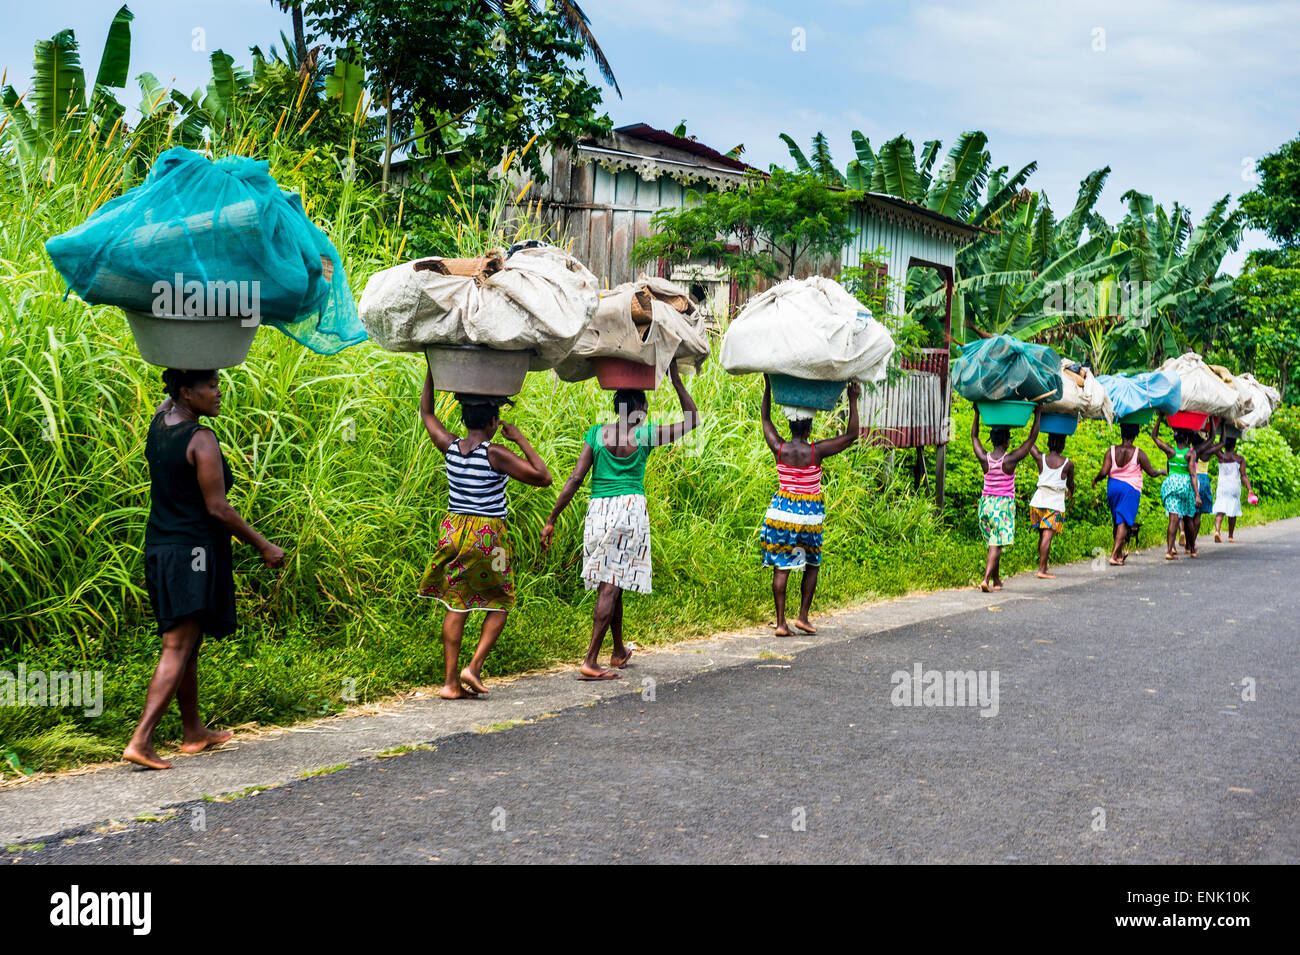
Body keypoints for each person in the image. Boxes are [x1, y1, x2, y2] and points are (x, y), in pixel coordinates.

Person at [124, 369, 286, 770]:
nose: (218, 392)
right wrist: (263, 545)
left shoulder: (162, 419)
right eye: (210, 386)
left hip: (161, 548)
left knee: (189, 643)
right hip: (191, 553)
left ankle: (193, 731)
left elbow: (174, 391)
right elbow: (218, 508)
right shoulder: (201, 439)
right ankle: (141, 740)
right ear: (186, 391)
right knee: (177, 645)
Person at [542, 362, 698, 680]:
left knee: (613, 582)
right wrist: (677, 381)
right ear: (640, 408)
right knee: (611, 584)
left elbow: (575, 478)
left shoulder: (597, 433)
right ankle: (589, 660)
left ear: (616, 407)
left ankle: (616, 651)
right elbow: (692, 420)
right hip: (629, 510)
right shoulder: (644, 434)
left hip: (598, 510)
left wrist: (552, 517)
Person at [417, 370, 552, 700]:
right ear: (493, 421)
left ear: (465, 420)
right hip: (487, 535)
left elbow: (426, 413)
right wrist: (519, 438)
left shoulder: (449, 446)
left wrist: (433, 369)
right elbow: (543, 477)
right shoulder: (494, 453)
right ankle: (473, 667)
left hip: (453, 530)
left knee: (457, 604)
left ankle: (450, 684)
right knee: (502, 601)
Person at [758, 377, 861, 635]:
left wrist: (769, 386)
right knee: (811, 564)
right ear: (809, 428)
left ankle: (781, 623)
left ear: (791, 426)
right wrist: (853, 399)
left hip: (781, 514)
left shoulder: (779, 447)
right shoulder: (816, 452)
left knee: (782, 565)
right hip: (809, 517)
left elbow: (766, 421)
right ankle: (803, 616)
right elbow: (851, 435)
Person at [971, 406, 1041, 592]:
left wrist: (977, 413)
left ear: (993, 440)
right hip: (1002, 506)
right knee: (996, 543)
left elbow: (974, 438)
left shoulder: (984, 458)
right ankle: (986, 579)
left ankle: (996, 580)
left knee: (995, 542)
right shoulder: (1010, 460)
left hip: (985, 505)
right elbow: (1031, 440)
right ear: (1007, 441)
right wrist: (1038, 413)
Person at [1091, 422, 1164, 565]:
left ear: (1121, 433)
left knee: (1117, 521)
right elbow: (1151, 472)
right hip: (1130, 489)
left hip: (1113, 487)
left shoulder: (1111, 451)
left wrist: (1095, 480)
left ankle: (1118, 555)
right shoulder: (1138, 453)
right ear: (1135, 435)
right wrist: (1161, 471)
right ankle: (1113, 555)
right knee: (1123, 522)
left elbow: (1104, 472)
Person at [1150, 414, 1200, 560]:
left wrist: (1159, 418)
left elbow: (1154, 436)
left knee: (1173, 519)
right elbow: (1192, 474)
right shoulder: (1190, 453)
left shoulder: (1170, 451)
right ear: (1186, 439)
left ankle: (1169, 551)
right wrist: (1197, 494)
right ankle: (1192, 548)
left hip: (1171, 485)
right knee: (1188, 518)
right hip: (1185, 487)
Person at [1027, 431, 1075, 579]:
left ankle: (1043, 565)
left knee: (1042, 535)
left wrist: (1034, 426)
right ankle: (1042, 570)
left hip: (1038, 501)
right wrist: (1070, 492)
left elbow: (1030, 444)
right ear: (1063, 445)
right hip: (1054, 503)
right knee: (1047, 537)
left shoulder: (1041, 458)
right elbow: (1070, 483)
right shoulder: (1068, 464)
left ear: (1048, 443)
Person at [1186, 424, 1223, 555]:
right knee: (1198, 515)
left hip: (1191, 480)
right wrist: (1219, 424)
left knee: (1189, 514)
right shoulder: (1207, 451)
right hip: (1203, 480)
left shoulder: (1189, 451)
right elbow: (1220, 441)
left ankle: (1187, 541)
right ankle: (1192, 544)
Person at [1213, 437, 1254, 543]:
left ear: (1224, 445)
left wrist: (1220, 438)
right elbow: (1244, 475)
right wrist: (1249, 489)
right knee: (1233, 509)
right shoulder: (1239, 458)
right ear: (1234, 445)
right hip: (1234, 486)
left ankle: (1217, 531)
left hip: (1222, 486)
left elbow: (1213, 445)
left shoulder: (1221, 456)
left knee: (1220, 509)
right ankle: (1230, 536)